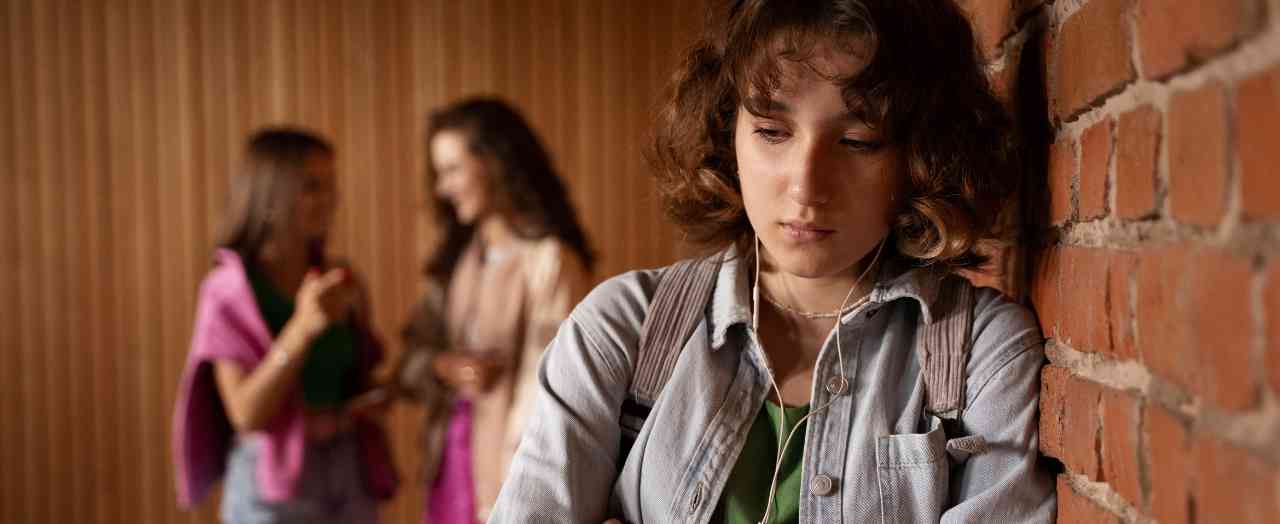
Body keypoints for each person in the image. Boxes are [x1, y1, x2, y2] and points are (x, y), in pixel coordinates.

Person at [490, 0, 1055, 522]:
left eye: (858, 141)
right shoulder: (624, 328)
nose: (806, 186)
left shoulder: (983, 353)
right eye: (771, 131)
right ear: (726, 134)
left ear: (924, 156)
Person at [172, 128, 397, 524]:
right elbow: (246, 415)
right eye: (312, 186)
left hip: (348, 470)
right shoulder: (227, 292)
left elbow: (357, 381)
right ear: (270, 196)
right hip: (272, 480)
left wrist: (378, 394)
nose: (330, 199)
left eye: (331, 185)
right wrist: (301, 329)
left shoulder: (342, 280)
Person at [393, 98, 595, 524]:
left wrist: (520, 492)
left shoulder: (550, 262)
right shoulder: (456, 261)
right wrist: (445, 367)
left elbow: (549, 396)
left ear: (496, 164)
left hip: (512, 473)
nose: (441, 189)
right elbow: (410, 359)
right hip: (451, 465)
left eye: (452, 170)